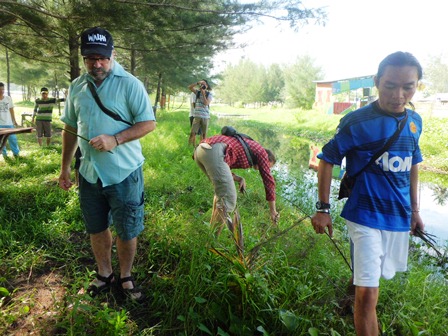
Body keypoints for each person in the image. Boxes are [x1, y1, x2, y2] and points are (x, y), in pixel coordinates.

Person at [311, 51, 425, 336]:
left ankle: (346, 296)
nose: (399, 94)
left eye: (407, 86)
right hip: (364, 215)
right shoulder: (356, 121)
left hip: (397, 217)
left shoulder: (415, 121)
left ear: (417, 85)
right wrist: (322, 209)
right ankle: (354, 301)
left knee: (372, 279)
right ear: (377, 82)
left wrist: (415, 210)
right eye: (390, 85)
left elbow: (413, 165)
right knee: (368, 296)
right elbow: (327, 159)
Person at [58, 27, 156, 302]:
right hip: (89, 173)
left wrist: (116, 138)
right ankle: (104, 273)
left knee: (127, 228)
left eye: (102, 57)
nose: (97, 64)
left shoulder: (130, 83)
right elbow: (68, 128)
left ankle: (125, 275)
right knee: (96, 227)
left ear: (112, 54)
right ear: (83, 58)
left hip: (124, 172)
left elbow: (148, 123)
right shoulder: (77, 86)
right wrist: (65, 168)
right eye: (90, 58)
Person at [194, 133, 279, 237]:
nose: (267, 168)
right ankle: (212, 240)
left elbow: (223, 166)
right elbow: (268, 180)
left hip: (201, 150)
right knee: (228, 199)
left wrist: (239, 178)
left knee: (221, 194)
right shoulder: (262, 153)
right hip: (213, 151)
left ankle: (211, 232)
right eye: (269, 166)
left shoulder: (250, 148)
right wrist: (273, 211)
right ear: (268, 159)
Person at [188, 79, 212, 146]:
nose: (203, 86)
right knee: (192, 133)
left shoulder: (209, 94)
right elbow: (190, 87)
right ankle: (190, 146)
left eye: (204, 85)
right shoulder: (197, 92)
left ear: (207, 86)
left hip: (205, 117)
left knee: (204, 134)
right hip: (197, 116)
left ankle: (203, 147)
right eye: (202, 85)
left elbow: (206, 103)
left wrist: (204, 94)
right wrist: (198, 82)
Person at [0, 82, 20, 159]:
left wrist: (14, 120)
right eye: (0, 89)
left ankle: (16, 153)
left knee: (13, 139)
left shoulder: (8, 98)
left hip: (9, 123)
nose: (2, 91)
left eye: (3, 89)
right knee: (1, 141)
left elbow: (11, 110)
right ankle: (4, 155)